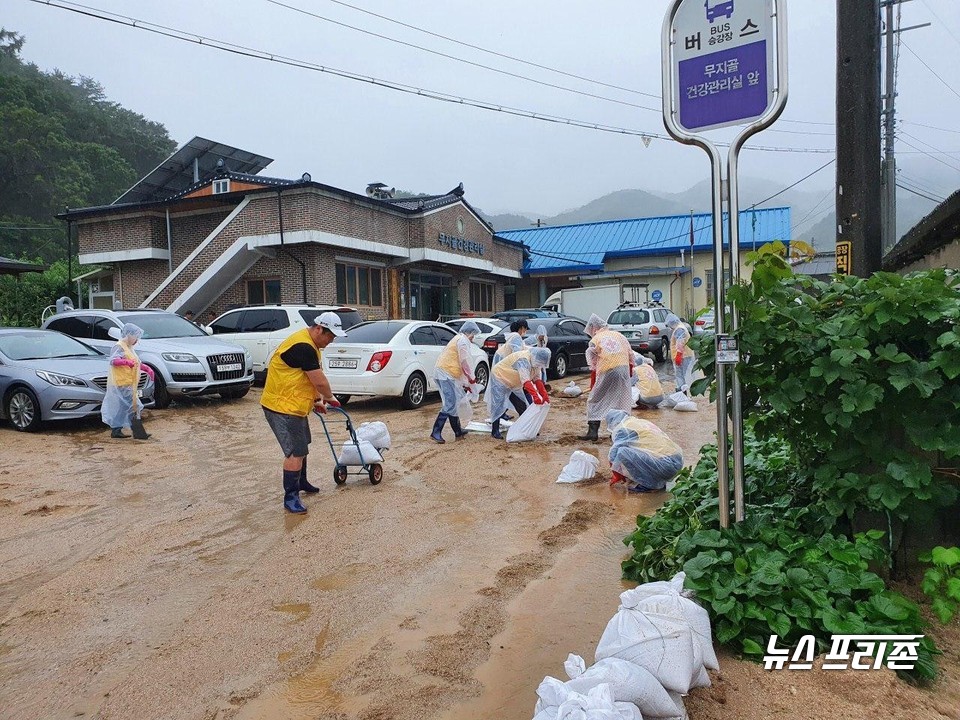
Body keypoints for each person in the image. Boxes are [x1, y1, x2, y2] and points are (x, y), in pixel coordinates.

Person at [261, 311, 345, 514]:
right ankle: (290, 497)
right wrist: (330, 398)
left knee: (302, 445)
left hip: (294, 405)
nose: (331, 341)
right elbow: (319, 380)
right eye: (330, 336)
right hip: (282, 407)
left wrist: (316, 400)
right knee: (294, 453)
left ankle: (302, 482)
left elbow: (306, 377)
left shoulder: (310, 344)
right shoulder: (304, 346)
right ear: (318, 329)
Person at [580, 313, 634, 441]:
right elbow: (631, 354)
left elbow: (590, 354)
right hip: (624, 369)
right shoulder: (619, 335)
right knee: (621, 400)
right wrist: (630, 369)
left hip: (608, 368)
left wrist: (593, 369)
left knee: (595, 399)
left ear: (594, 328)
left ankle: (593, 432)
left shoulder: (596, 339)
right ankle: (618, 432)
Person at [605, 410, 683, 492]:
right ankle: (657, 482)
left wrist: (617, 475)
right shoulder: (639, 423)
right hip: (676, 462)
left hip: (664, 465)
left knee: (622, 452)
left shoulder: (624, 428)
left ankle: (649, 485)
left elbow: (613, 455)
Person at [102, 323, 154, 440]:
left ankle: (116, 430)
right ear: (129, 335)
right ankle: (138, 432)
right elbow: (113, 361)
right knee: (134, 406)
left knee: (124, 407)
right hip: (122, 383)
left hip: (129, 383)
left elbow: (135, 362)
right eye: (136, 337)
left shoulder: (129, 348)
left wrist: (146, 368)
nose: (137, 340)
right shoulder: (119, 346)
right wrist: (126, 362)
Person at [486, 347, 551, 439]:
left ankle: (526, 429)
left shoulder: (536, 364)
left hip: (514, 381)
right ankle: (495, 431)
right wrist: (535, 396)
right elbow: (526, 381)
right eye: (539, 363)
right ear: (535, 357)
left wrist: (544, 394)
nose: (539, 365)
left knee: (522, 405)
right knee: (498, 404)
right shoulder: (523, 360)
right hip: (500, 377)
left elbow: (537, 379)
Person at [431, 320, 479, 444]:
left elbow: (459, 363)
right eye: (473, 334)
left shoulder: (458, 339)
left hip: (445, 372)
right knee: (450, 403)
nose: (473, 337)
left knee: (453, 402)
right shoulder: (462, 341)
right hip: (446, 373)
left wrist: (466, 383)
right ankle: (436, 431)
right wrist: (470, 379)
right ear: (469, 332)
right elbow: (464, 362)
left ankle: (457, 430)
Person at [666, 314, 695, 395]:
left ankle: (682, 393)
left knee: (681, 375)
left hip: (682, 356)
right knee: (683, 375)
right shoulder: (681, 327)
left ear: (672, 323)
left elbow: (680, 342)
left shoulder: (679, 329)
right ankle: (683, 392)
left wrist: (679, 355)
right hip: (684, 355)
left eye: (669, 325)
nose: (670, 327)